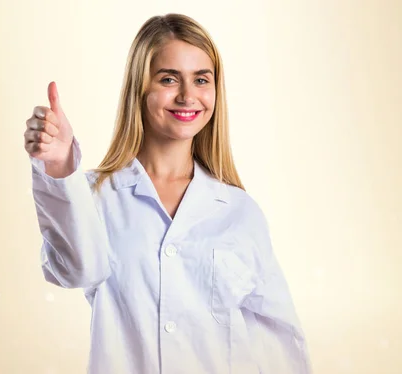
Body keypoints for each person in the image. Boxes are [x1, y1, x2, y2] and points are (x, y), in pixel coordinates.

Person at [24, 13, 312, 374]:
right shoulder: (97, 197)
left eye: (201, 80)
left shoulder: (239, 211)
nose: (188, 96)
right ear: (139, 88)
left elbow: (278, 339)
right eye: (169, 78)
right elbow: (76, 271)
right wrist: (59, 165)